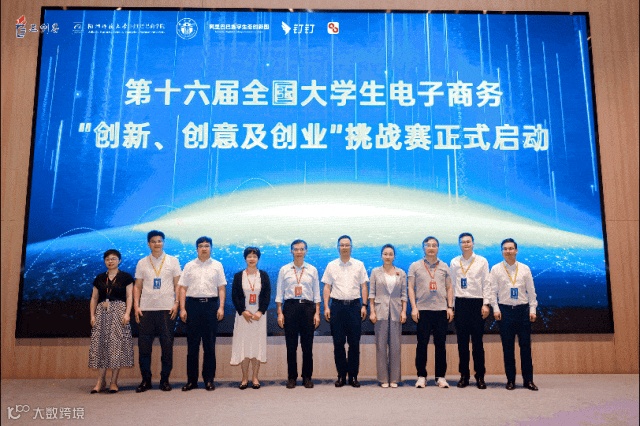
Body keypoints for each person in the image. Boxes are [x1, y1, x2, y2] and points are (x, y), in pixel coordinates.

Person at [133, 230, 181, 392]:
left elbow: (178, 284)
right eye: (153, 241)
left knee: (167, 347)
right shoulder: (142, 262)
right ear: (148, 244)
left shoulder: (173, 261)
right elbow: (137, 286)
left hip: (167, 309)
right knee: (144, 348)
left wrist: (176, 303)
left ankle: (164, 380)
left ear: (163, 242)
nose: (157, 244)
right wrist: (136, 306)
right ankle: (145, 380)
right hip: (146, 310)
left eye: (159, 241)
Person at [490, 238, 539, 391]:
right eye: (505, 249)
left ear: (516, 251)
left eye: (511, 248)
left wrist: (532, 309)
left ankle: (528, 381)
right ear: (502, 251)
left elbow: (531, 291)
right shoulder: (496, 269)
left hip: (522, 311)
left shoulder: (524, 268)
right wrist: (495, 308)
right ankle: (510, 380)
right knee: (508, 348)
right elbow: (492, 292)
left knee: (525, 347)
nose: (508, 251)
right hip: (504, 312)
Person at [178, 236, 227, 392]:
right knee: (192, 346)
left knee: (209, 346)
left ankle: (209, 380)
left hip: (211, 306)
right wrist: (182, 308)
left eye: (207, 245)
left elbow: (221, 288)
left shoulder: (217, 265)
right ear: (197, 249)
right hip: (192, 306)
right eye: (201, 246)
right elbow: (182, 288)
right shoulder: (189, 266)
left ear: (211, 248)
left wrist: (221, 307)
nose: (204, 248)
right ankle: (191, 381)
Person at [322, 235, 369, 388]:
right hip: (337, 307)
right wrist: (326, 307)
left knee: (354, 344)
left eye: (347, 245)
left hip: (354, 307)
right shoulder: (331, 265)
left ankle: (353, 376)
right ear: (338, 247)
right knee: (338, 343)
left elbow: (363, 287)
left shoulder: (359, 265)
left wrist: (364, 305)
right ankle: (341, 376)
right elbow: (327, 287)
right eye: (341, 245)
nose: (344, 247)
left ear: (351, 247)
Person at [408, 236, 454, 389]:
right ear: (423, 248)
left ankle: (440, 377)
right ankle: (421, 376)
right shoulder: (415, 266)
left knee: (440, 345)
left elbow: (449, 287)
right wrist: (414, 307)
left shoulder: (444, 266)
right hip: (422, 310)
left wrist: (450, 307)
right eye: (428, 245)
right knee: (422, 344)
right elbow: (410, 288)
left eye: (434, 245)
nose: (431, 248)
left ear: (438, 248)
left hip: (441, 310)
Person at [276, 239, 321, 389]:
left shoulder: (312, 270)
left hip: (308, 308)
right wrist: (280, 313)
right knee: (291, 346)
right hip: (290, 308)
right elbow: (279, 294)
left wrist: (317, 313)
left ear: (306, 251)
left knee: (307, 346)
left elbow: (316, 294)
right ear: (291, 251)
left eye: (302, 249)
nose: (299, 252)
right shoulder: (284, 270)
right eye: (296, 249)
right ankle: (292, 377)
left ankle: (307, 377)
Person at [88, 249, 134, 393]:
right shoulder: (100, 278)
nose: (110, 261)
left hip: (119, 313)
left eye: (113, 258)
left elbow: (129, 297)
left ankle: (113, 382)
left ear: (119, 260)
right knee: (101, 346)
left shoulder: (126, 277)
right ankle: (100, 382)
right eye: (107, 259)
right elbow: (94, 298)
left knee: (116, 347)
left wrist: (127, 313)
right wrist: (92, 316)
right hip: (101, 313)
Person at [449, 232, 491, 389]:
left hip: (477, 303)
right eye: (463, 242)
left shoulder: (482, 261)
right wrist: (451, 306)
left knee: (478, 343)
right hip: (460, 304)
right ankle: (464, 376)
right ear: (459, 244)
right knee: (462, 343)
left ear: (473, 243)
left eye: (468, 241)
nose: (466, 244)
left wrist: (486, 304)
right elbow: (452, 285)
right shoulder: (454, 262)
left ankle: (480, 376)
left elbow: (486, 283)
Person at [230, 246, 271, 390]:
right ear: (245, 258)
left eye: (254, 256)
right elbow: (235, 295)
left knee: (256, 345)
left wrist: (260, 311)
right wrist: (243, 311)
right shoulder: (238, 276)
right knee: (244, 345)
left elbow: (267, 295)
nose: (252, 259)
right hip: (243, 316)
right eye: (249, 256)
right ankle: (244, 378)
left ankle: (255, 377)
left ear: (258, 258)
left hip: (259, 316)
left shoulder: (263, 275)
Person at [369, 244, 407, 388]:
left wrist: (404, 311)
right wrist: (372, 311)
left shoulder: (401, 273)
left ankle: (395, 379)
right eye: (385, 254)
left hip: (396, 311)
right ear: (381, 256)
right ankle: (383, 378)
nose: (388, 256)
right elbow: (372, 294)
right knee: (380, 345)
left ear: (394, 256)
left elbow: (404, 295)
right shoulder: (375, 272)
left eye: (390, 254)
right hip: (380, 312)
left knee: (396, 346)